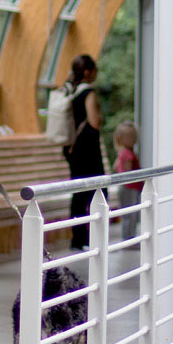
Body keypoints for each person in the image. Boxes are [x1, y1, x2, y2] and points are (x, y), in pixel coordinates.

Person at [62, 54, 105, 250]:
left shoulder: (70, 90)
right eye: (94, 70)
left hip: (72, 148)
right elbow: (94, 121)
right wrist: (100, 118)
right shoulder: (88, 92)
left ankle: (77, 239)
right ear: (87, 72)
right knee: (98, 190)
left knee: (78, 194)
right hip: (88, 149)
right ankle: (92, 238)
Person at [113, 121, 142, 240]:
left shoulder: (122, 152)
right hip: (130, 188)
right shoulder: (128, 154)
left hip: (126, 188)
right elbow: (128, 171)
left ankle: (129, 237)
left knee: (128, 213)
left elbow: (115, 167)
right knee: (131, 213)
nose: (132, 139)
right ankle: (129, 238)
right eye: (128, 137)